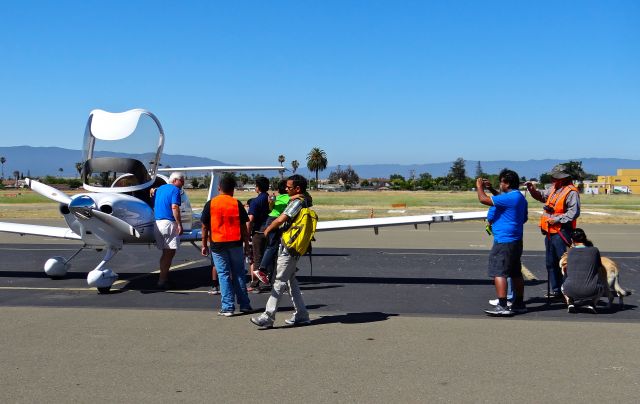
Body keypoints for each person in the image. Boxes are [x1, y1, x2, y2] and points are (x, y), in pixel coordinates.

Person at [251, 174, 311, 328]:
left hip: (289, 247)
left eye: (289, 187)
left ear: (297, 189)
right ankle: (302, 314)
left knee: (279, 282)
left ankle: (268, 316)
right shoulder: (303, 200)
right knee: (291, 282)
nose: (286, 189)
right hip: (292, 245)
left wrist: (268, 228)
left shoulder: (297, 202)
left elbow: (281, 218)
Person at [476, 169, 528, 316]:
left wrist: (479, 186)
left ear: (507, 183)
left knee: (499, 272)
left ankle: (503, 305)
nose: (500, 184)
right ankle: (519, 303)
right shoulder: (519, 198)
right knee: (515, 272)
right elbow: (523, 218)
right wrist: (491, 189)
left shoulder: (510, 198)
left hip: (504, 241)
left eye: (501, 182)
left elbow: (483, 199)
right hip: (516, 240)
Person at [525, 164, 580, 299]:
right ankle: (556, 290)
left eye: (556, 177)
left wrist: (556, 219)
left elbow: (574, 212)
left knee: (563, 263)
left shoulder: (571, 192)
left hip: (562, 231)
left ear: (564, 178)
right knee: (550, 263)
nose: (554, 179)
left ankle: (566, 291)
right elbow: (541, 196)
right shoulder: (554, 188)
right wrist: (532, 190)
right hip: (550, 232)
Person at [200, 174, 252, 316]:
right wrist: (246, 245)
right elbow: (243, 226)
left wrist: (204, 244)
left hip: (218, 243)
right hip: (235, 242)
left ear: (219, 188)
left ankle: (228, 307)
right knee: (239, 273)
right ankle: (245, 305)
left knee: (223, 274)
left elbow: (204, 226)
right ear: (233, 190)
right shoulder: (236, 203)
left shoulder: (211, 203)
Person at [153, 171, 184, 289]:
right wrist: (179, 224)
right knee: (169, 254)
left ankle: (163, 277)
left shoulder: (159, 189)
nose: (183, 183)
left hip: (157, 223)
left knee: (165, 253)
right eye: (182, 180)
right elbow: (175, 207)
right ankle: (162, 281)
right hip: (168, 224)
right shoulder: (175, 190)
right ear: (175, 181)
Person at [562, 228, 605, 314]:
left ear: (572, 240)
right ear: (585, 238)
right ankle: (592, 304)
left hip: (570, 289)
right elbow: (599, 268)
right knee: (602, 286)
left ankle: (570, 302)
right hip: (591, 290)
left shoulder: (570, 252)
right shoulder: (594, 250)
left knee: (563, 285)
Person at [255, 179, 290, 282]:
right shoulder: (289, 198)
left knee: (273, 246)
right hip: (274, 221)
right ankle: (262, 269)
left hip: (269, 219)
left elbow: (271, 208)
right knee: (272, 247)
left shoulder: (278, 198)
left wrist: (271, 202)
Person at [247, 177, 271, 288]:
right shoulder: (270, 199)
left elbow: (250, 219)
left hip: (258, 232)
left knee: (257, 258)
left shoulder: (255, 201)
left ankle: (255, 283)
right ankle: (268, 278)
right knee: (268, 257)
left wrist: (247, 234)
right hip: (270, 231)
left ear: (258, 187)